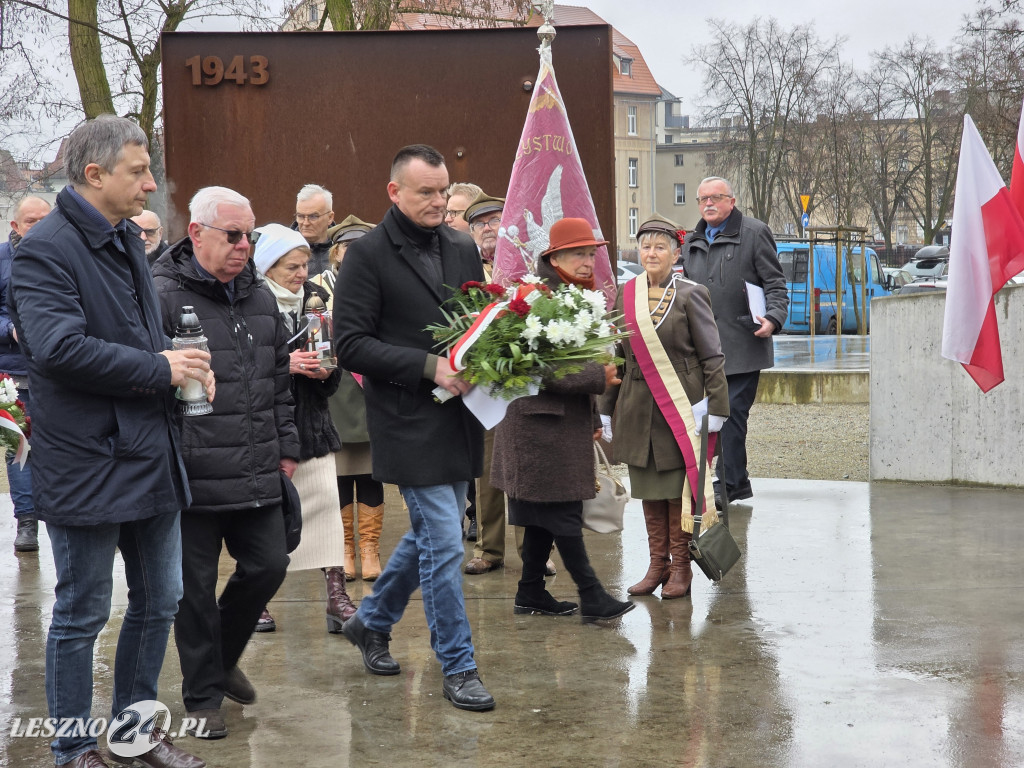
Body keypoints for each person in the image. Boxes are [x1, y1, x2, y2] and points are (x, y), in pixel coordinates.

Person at [9, 115, 211, 768]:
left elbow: (131, 332)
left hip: (148, 448)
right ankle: (72, 751)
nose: (151, 185)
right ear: (93, 175)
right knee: (82, 612)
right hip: (87, 459)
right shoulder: (46, 248)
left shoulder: (125, 237)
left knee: (162, 600)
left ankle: (136, 733)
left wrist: (178, 366)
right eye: (138, 171)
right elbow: (57, 347)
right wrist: (161, 368)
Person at [334, 144, 494, 712]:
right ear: (393, 192)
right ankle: (458, 664)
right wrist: (430, 367)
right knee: (446, 544)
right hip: (406, 420)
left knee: (433, 535)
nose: (438, 201)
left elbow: (473, 322)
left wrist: (499, 356)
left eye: (443, 190)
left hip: (460, 418)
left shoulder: (460, 245)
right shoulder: (367, 256)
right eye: (425, 191)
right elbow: (350, 344)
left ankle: (371, 622)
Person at [152, 186, 300, 741]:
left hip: (255, 462)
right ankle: (203, 697)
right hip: (189, 471)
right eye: (233, 235)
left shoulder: (258, 295)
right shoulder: (160, 294)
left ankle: (221, 653)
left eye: (251, 236)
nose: (244, 246)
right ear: (196, 234)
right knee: (191, 589)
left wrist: (286, 447)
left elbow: (279, 379)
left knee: (269, 565)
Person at [491, 217, 634, 622]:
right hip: (537, 428)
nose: (589, 261)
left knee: (544, 513)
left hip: (555, 425)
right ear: (554, 258)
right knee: (562, 513)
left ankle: (530, 592)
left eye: (591, 253)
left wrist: (591, 414)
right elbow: (540, 369)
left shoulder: (573, 296)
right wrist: (597, 379)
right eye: (578, 254)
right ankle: (592, 595)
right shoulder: (534, 299)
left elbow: (573, 361)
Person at [600, 215, 730, 599]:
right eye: (645, 246)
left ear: (676, 253)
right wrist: (606, 408)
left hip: (681, 406)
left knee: (679, 492)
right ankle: (657, 566)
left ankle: (681, 568)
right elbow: (617, 358)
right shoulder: (626, 294)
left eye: (660, 246)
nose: (651, 253)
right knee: (650, 491)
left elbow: (712, 356)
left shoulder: (692, 293)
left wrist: (717, 406)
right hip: (638, 408)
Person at [251, 222, 356, 628]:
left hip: (312, 426)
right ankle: (257, 598)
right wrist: (285, 365)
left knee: (328, 512)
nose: (301, 274)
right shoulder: (252, 304)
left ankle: (336, 597)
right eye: (292, 267)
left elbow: (333, 376)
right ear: (268, 266)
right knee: (266, 520)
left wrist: (326, 371)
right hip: (268, 431)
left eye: (303, 266)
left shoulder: (315, 301)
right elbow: (239, 368)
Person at [682, 177, 788, 507]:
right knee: (709, 417)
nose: (709, 204)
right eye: (703, 199)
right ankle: (737, 482)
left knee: (729, 416)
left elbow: (775, 283)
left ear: (732, 200)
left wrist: (773, 317)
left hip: (743, 345)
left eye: (716, 197)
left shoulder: (754, 233)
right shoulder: (691, 242)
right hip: (702, 349)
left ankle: (728, 484)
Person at [317, 216, 387, 582]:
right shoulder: (317, 288)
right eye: (347, 244)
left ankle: (370, 549)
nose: (354, 251)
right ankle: (345, 548)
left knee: (372, 471)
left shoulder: (382, 281)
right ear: (336, 252)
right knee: (342, 473)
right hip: (337, 389)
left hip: (370, 387)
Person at [1, 194, 50, 553]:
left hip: (60, 370)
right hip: (13, 374)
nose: (40, 226)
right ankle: (28, 521)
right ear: (15, 226)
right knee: (19, 446)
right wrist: (11, 329)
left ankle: (85, 518)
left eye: (45, 219)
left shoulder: (64, 256)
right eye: (32, 220)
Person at [294, 183, 335, 276]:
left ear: (330, 217)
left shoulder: (344, 248)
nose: (305, 223)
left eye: (313, 216)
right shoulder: (284, 250)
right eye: (300, 216)